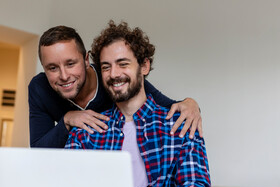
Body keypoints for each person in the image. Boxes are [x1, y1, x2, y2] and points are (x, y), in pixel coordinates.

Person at [65, 21, 212, 187]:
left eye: (122, 64)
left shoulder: (180, 125)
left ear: (144, 66)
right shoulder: (85, 132)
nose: (114, 74)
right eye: (106, 66)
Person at [28, 26, 203, 148]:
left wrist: (191, 103)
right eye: (52, 68)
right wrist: (66, 120)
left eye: (71, 63)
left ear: (87, 60)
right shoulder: (39, 89)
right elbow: (39, 149)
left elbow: (165, 105)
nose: (64, 75)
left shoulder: (112, 79)